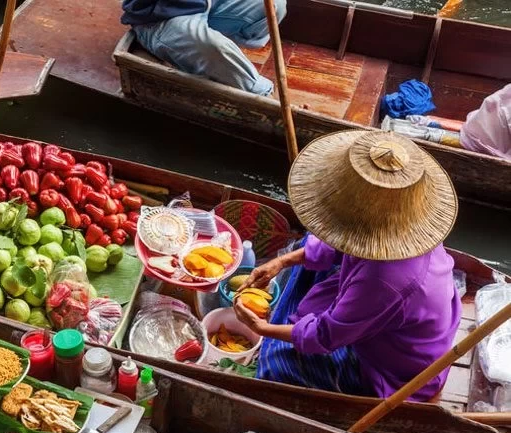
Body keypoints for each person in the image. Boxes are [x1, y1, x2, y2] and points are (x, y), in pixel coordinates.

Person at [233, 130, 461, 401]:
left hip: (396, 367)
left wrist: (262, 330)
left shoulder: (383, 281)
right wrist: (281, 262)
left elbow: (324, 337)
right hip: (388, 299)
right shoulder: (405, 224)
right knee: (309, 245)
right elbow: (334, 242)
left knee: (276, 365)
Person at [121, 0, 286, 95]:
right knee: (214, 48)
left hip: (205, 4)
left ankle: (212, 54)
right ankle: (263, 94)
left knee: (275, 4)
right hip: (160, 16)